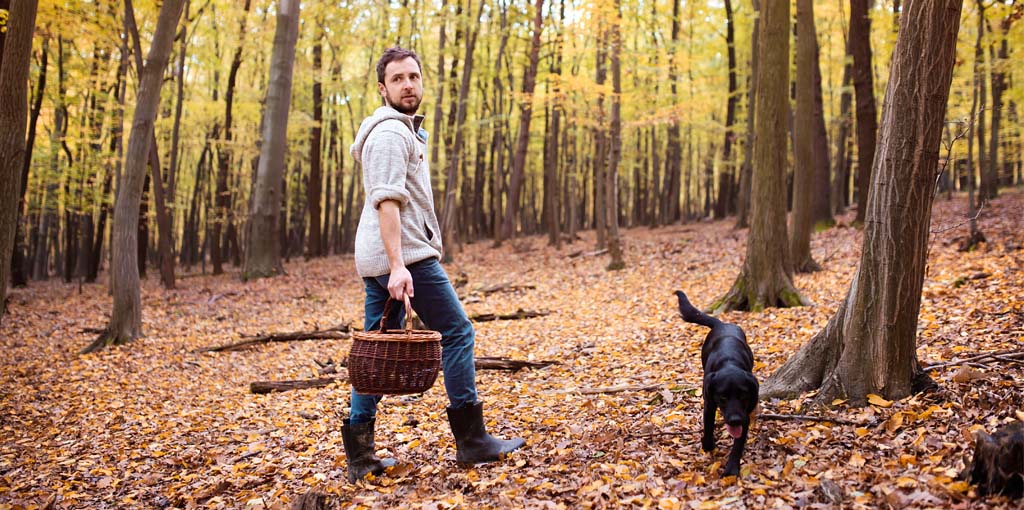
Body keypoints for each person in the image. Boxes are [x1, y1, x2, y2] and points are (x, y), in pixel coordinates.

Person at [342, 46, 526, 483]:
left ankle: (360, 455)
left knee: (374, 352)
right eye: (398, 79)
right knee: (458, 331)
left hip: (383, 257)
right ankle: (472, 439)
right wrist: (398, 265)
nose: (408, 84)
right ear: (382, 88)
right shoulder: (389, 133)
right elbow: (386, 201)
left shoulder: (403, 130)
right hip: (403, 256)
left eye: (414, 76)